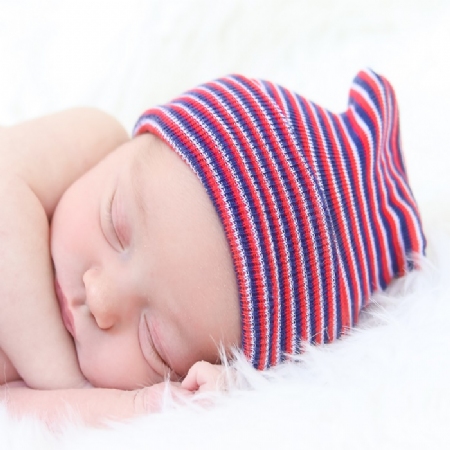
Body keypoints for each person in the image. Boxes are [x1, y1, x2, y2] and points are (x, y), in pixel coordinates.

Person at [0, 68, 426, 425]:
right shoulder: (92, 139)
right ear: (130, 146)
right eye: (116, 225)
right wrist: (67, 382)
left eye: (154, 342)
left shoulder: (109, 378)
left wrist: (138, 407)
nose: (98, 296)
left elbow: (18, 417)